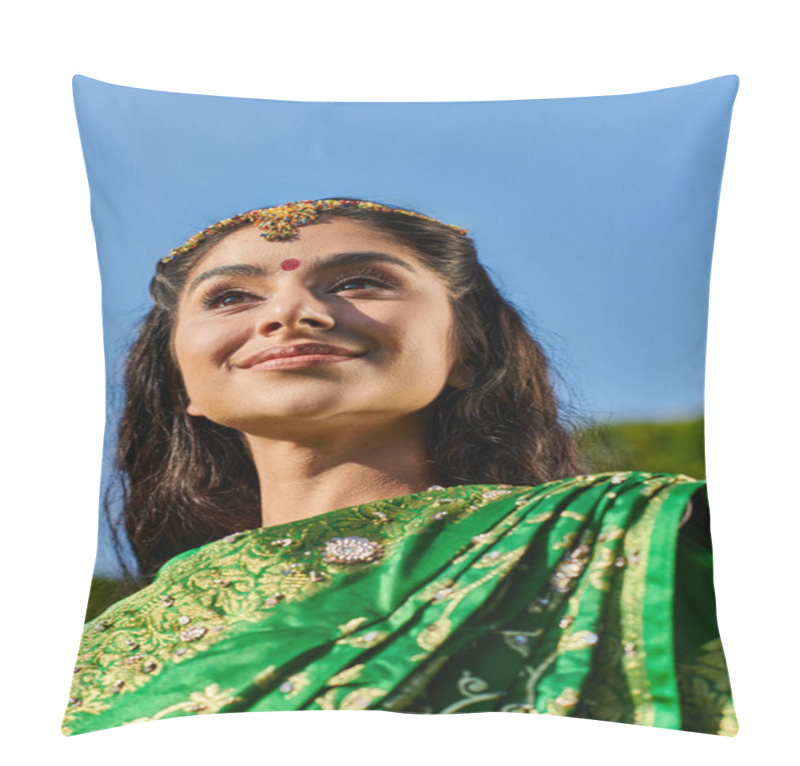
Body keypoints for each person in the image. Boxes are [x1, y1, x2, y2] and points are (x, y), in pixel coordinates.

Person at [62, 198, 737, 736]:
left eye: (360, 282)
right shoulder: (91, 654)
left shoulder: (638, 539)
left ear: (465, 353)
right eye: (231, 297)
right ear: (184, 383)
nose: (293, 312)